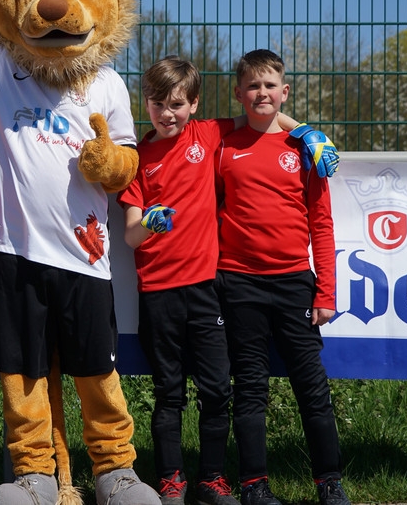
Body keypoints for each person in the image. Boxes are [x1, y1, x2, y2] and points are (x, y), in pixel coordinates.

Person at [118, 56, 307, 505]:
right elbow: (129, 234)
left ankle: (212, 480)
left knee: (217, 389)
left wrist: (307, 132)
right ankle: (171, 480)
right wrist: (148, 224)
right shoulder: (137, 159)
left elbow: (265, 116)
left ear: (194, 104)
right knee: (168, 393)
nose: (167, 114)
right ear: (145, 103)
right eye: (158, 104)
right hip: (158, 292)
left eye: (177, 105)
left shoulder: (207, 134)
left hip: (207, 289)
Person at [214, 49, 348, 505]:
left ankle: (329, 482)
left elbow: (322, 224)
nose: (262, 93)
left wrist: (325, 292)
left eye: (270, 85)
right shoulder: (223, 147)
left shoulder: (306, 150)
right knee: (250, 388)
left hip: (294, 284)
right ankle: (254, 485)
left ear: (284, 91)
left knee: (312, 387)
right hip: (238, 284)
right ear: (239, 93)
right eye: (252, 86)